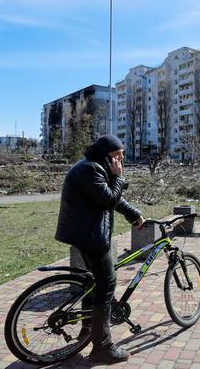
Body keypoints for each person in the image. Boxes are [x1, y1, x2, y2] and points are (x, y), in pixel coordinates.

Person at [55, 134, 144, 364]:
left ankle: (87, 332)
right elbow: (109, 198)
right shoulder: (90, 169)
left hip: (85, 233)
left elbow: (109, 199)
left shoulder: (93, 167)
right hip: (90, 236)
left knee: (93, 283)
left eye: (122, 154)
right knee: (106, 284)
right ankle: (102, 346)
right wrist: (118, 177)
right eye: (118, 155)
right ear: (107, 156)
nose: (122, 158)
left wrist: (133, 214)